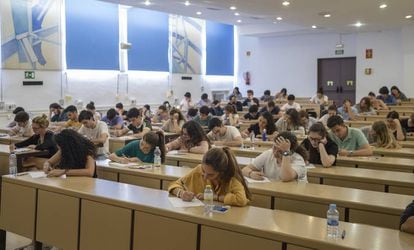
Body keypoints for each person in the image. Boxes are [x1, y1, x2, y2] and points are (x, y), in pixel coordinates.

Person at [168, 147, 251, 207]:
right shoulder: (199, 169)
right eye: (204, 172)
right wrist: (181, 193)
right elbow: (175, 184)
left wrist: (215, 197)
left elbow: (241, 199)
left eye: (211, 175)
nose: (205, 177)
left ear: (222, 172)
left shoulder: (231, 179)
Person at [242, 132, 307, 181]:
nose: (275, 153)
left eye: (280, 152)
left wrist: (286, 152)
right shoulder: (269, 153)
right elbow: (244, 169)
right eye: (274, 148)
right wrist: (250, 174)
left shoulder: (298, 160)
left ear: (291, 152)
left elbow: (286, 177)